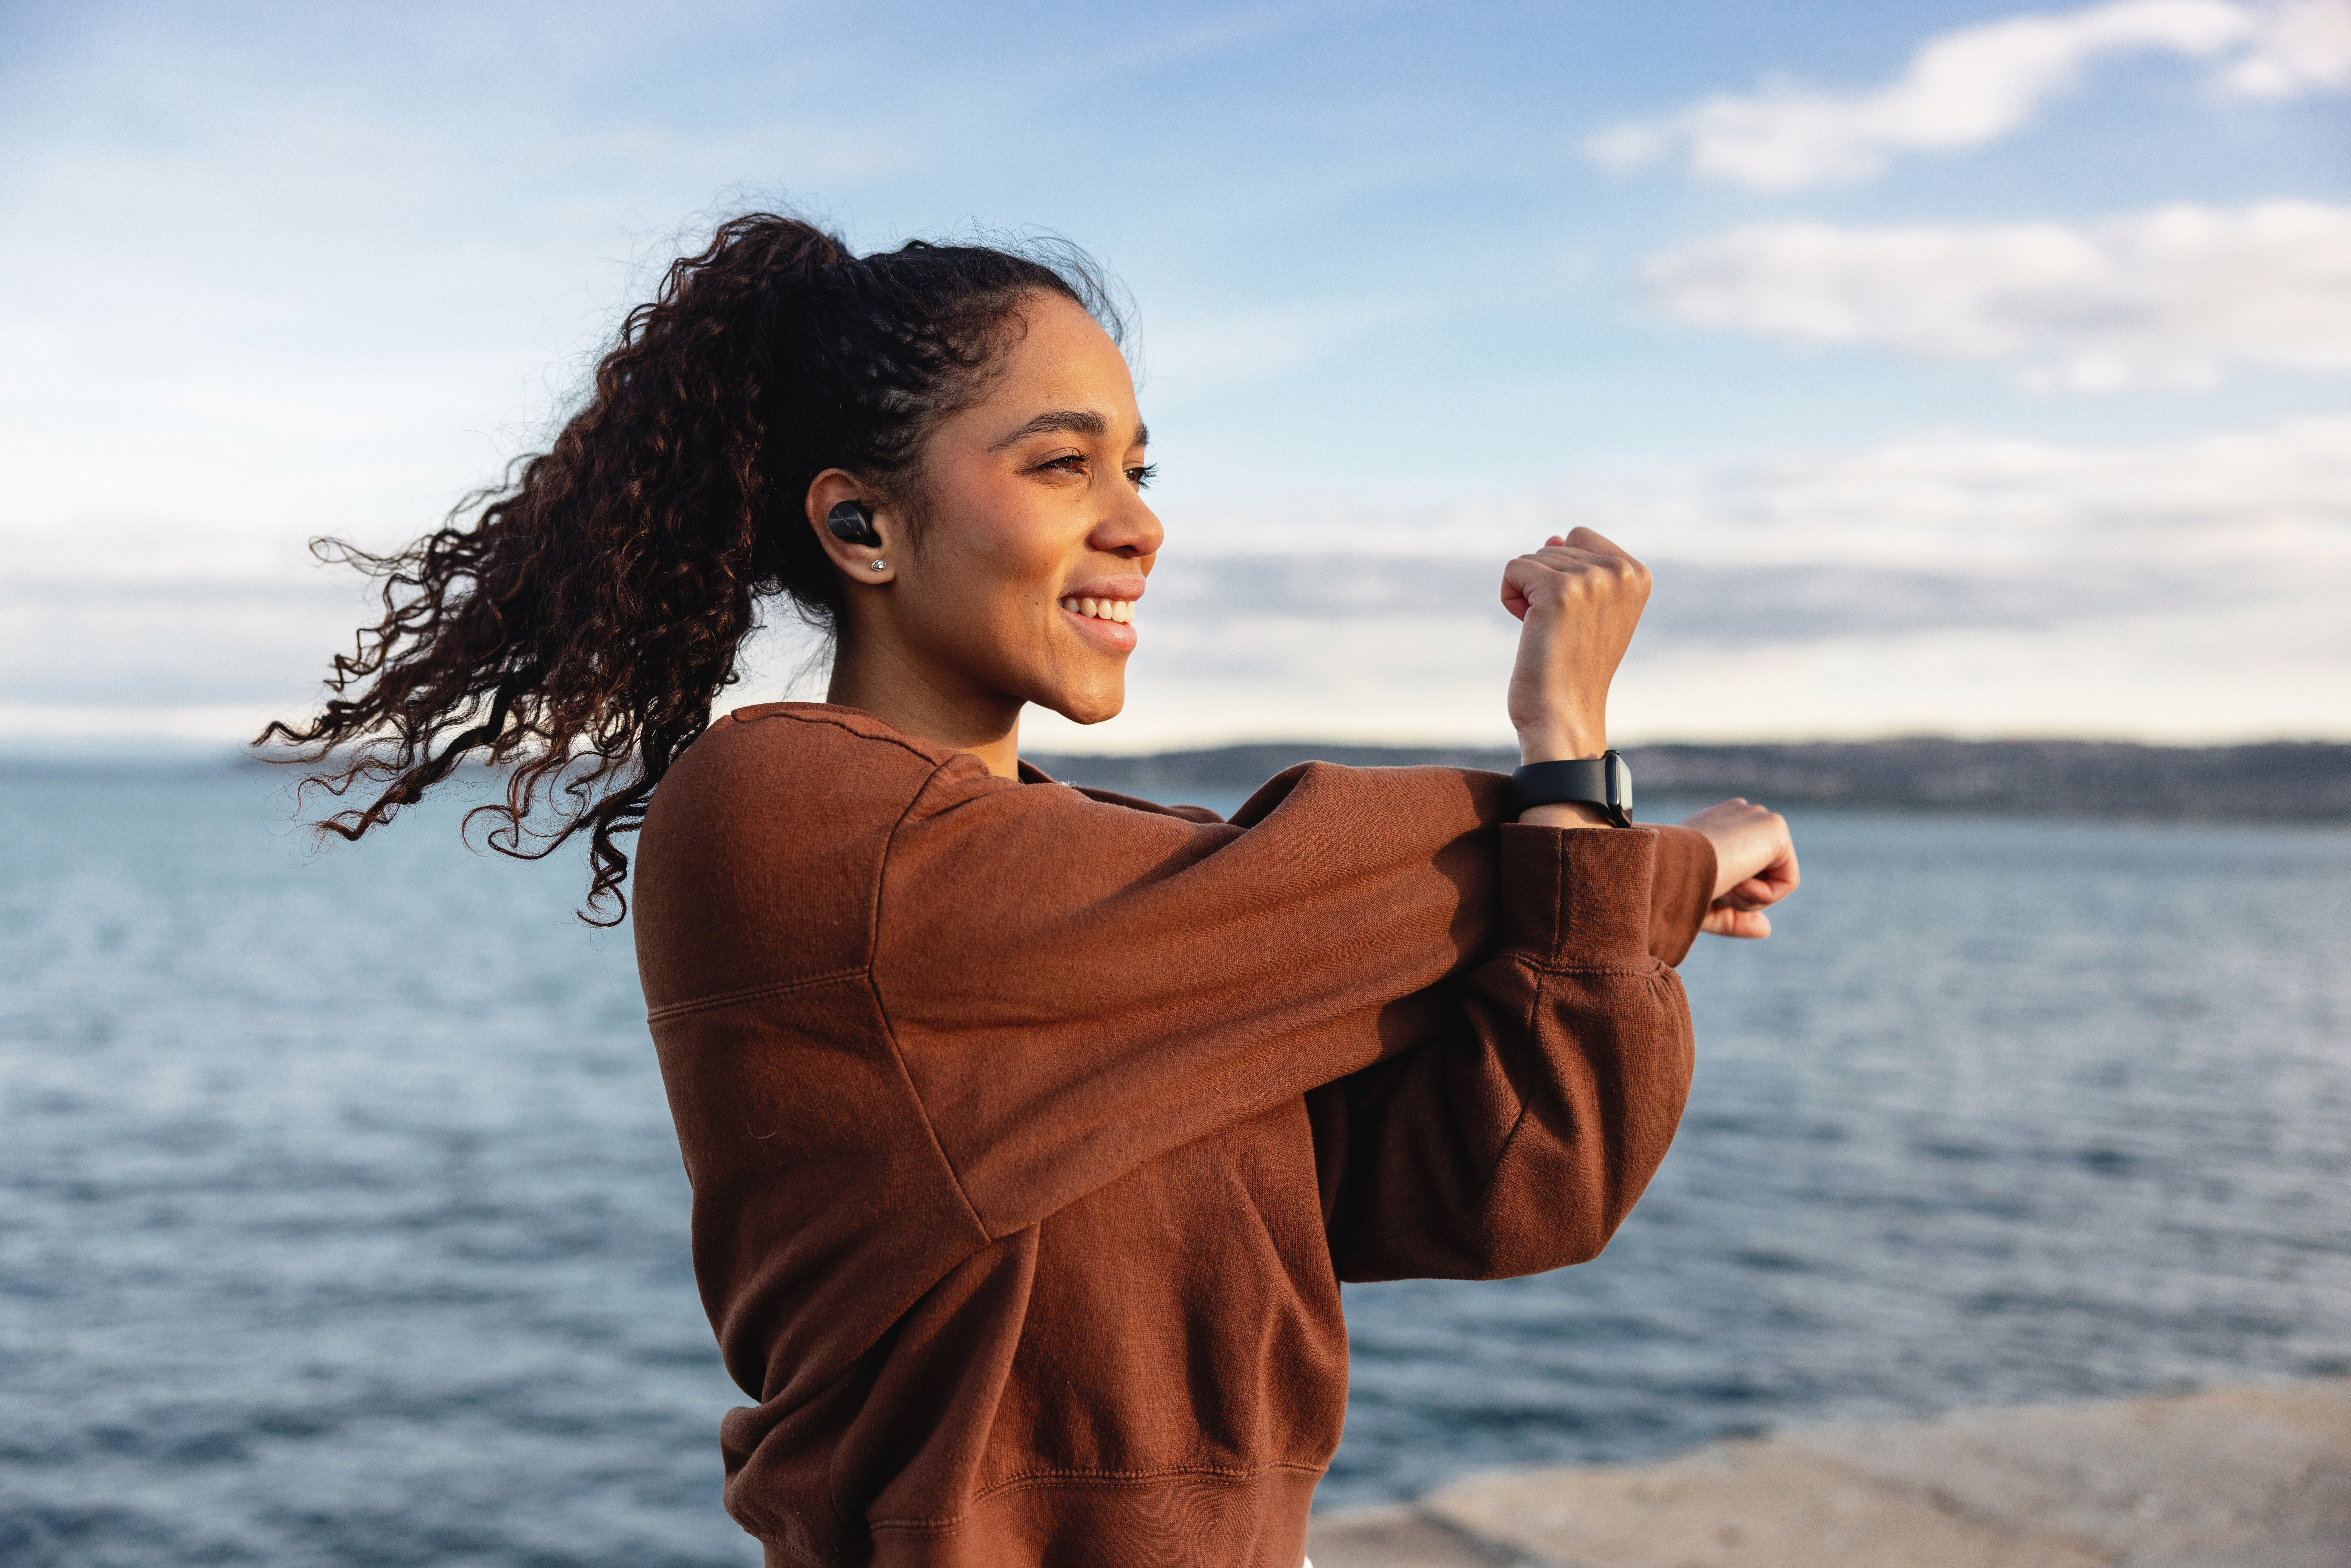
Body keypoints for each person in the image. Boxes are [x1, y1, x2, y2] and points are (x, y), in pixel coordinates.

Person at [268, 214, 1799, 1568]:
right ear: (860, 524)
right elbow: (1296, 884)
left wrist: (1583, 805)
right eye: (1063, 463)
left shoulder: (1163, 912)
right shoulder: (783, 813)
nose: (1137, 518)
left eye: (1138, 466)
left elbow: (1519, 1184)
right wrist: (1612, 846)